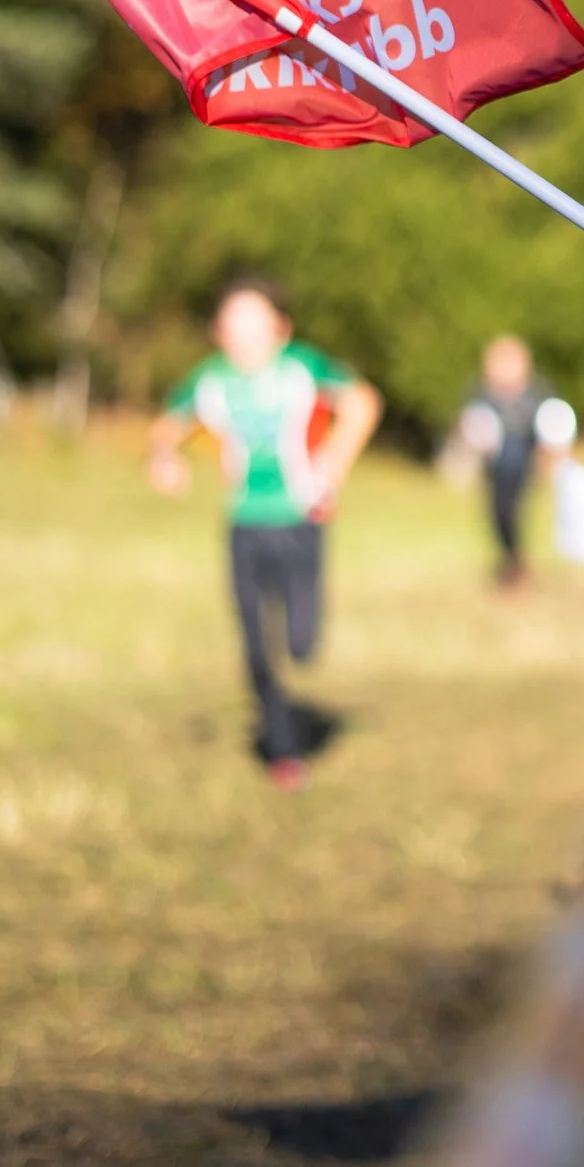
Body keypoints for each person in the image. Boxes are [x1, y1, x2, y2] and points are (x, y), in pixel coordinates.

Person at [148, 277, 380, 788]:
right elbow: (167, 426)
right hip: (244, 523)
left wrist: (334, 463)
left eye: (254, 321)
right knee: (256, 643)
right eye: (233, 322)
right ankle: (281, 750)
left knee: (301, 642)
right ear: (218, 331)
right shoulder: (210, 380)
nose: (244, 333)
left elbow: (363, 402)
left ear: (280, 327)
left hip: (302, 519)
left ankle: (298, 675)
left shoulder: (304, 367)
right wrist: (164, 459)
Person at [458, 334, 562, 588]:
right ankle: (509, 560)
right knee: (496, 515)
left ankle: (517, 564)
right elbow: (471, 425)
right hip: (494, 469)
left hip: (521, 467)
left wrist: (547, 458)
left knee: (514, 514)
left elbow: (550, 427)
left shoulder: (535, 394)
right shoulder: (482, 395)